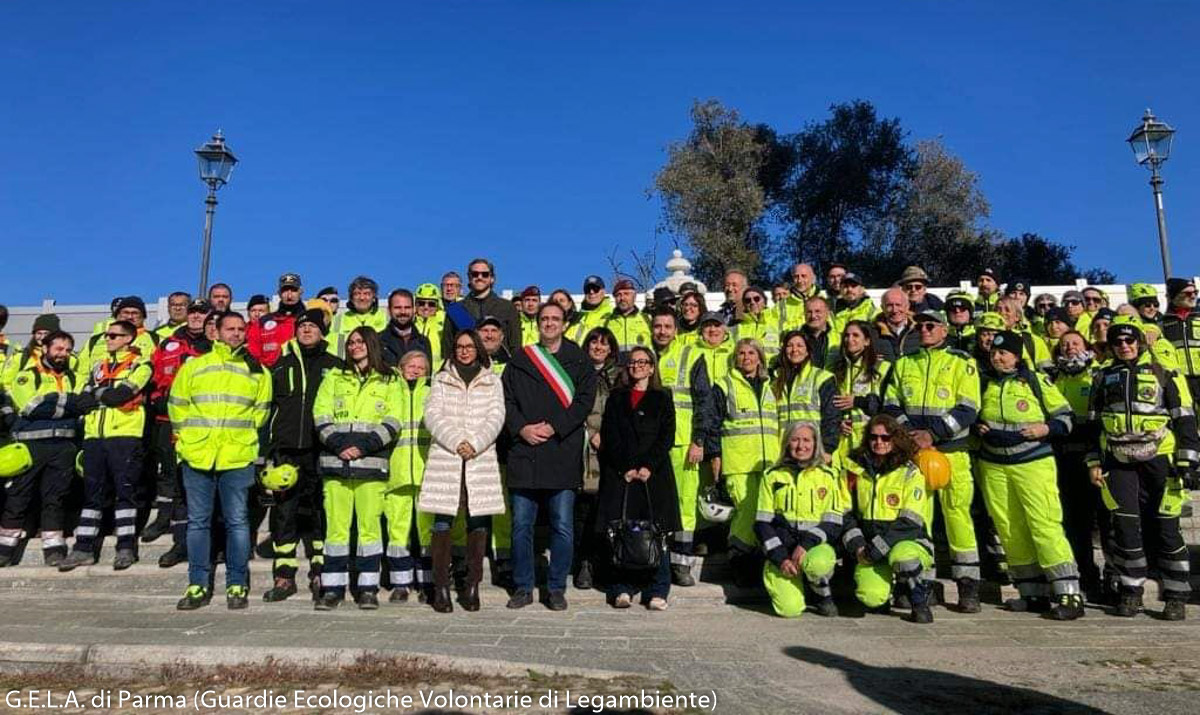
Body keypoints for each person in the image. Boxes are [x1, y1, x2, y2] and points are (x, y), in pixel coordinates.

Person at [1087, 317, 1200, 620]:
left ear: (1139, 341)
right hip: (1119, 460)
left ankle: (1176, 594)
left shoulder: (1165, 372)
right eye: (1117, 342)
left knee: (1165, 528)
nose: (1124, 346)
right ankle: (1131, 591)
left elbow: (1186, 418)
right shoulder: (1102, 376)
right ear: (1110, 347)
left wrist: (1188, 460)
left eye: (1129, 340)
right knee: (1124, 527)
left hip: (1160, 459)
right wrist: (1094, 461)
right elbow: (1094, 424)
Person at [973, 331, 1083, 619]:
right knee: (1009, 527)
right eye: (994, 353)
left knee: (1044, 524)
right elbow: (973, 415)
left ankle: (1068, 592)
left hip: (1033, 462)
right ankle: (1031, 591)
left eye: (1004, 353)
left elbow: (1066, 417)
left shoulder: (1035, 380)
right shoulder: (984, 381)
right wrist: (978, 427)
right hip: (994, 463)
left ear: (1017, 356)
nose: (997, 357)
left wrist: (1045, 429)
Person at [170, 311, 272, 610]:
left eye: (241, 329)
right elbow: (178, 406)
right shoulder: (196, 366)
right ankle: (197, 585)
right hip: (198, 455)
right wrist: (187, 441)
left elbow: (260, 413)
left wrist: (242, 441)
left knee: (238, 523)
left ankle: (237, 584)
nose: (236, 333)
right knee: (198, 523)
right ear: (216, 331)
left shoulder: (258, 371)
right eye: (231, 328)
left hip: (237, 456)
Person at [882, 308, 982, 612]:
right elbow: (890, 403)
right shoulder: (903, 364)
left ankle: (968, 587)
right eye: (919, 326)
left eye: (930, 325)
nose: (923, 330)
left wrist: (934, 434)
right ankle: (919, 584)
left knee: (957, 519)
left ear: (943, 330)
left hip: (952, 453)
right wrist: (911, 433)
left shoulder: (962, 363)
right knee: (917, 520)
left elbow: (968, 408)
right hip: (913, 456)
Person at [501, 301, 597, 611]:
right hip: (525, 452)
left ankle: (556, 587)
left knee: (562, 526)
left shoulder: (579, 360)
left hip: (561, 451)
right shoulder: (520, 359)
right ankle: (523, 586)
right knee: (521, 526)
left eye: (556, 319)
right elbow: (506, 401)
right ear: (537, 323)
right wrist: (522, 429)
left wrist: (555, 427)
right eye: (544, 318)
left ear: (565, 324)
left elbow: (584, 402)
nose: (550, 323)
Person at [311, 327, 401, 611]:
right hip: (336, 465)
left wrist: (364, 447)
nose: (354, 347)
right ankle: (332, 589)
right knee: (336, 532)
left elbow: (393, 419)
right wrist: (339, 445)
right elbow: (320, 414)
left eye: (360, 342)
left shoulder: (390, 379)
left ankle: (367, 588)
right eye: (350, 343)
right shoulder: (334, 377)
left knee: (369, 530)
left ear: (372, 344)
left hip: (371, 466)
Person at [420, 329, 506, 613]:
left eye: (470, 346)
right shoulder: (441, 379)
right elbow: (432, 415)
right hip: (447, 457)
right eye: (460, 346)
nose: (465, 351)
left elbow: (497, 416)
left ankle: (472, 585)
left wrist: (476, 443)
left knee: (478, 521)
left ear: (478, 349)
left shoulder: (492, 380)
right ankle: (441, 587)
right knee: (442, 521)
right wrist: (457, 443)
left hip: (480, 458)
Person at [261, 308, 343, 602]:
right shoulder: (280, 366)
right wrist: (268, 449)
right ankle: (284, 577)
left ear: (323, 332)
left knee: (322, 512)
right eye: (302, 326)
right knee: (284, 515)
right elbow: (268, 409)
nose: (307, 330)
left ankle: (321, 571)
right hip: (286, 452)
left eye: (312, 327)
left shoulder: (335, 366)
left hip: (321, 449)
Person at [58, 320, 153, 572]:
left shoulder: (140, 364)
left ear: (128, 339)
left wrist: (100, 395)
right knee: (92, 494)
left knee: (125, 492)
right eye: (107, 335)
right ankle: (83, 548)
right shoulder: (98, 365)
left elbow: (120, 395)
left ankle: (125, 547)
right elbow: (83, 400)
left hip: (125, 434)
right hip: (94, 435)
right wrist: (102, 395)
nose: (108, 339)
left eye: (114, 335)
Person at [597, 346, 679, 611]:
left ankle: (658, 588)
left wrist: (647, 466)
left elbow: (667, 435)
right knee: (622, 531)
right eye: (632, 362)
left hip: (653, 475)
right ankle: (622, 587)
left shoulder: (662, 397)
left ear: (652, 368)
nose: (637, 366)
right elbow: (610, 434)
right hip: (623, 475)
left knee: (658, 533)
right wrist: (626, 467)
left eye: (643, 362)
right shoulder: (616, 397)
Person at [0, 331, 87, 567]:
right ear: (45, 348)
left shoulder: (73, 376)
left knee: (55, 498)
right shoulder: (28, 375)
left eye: (68, 350)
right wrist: (66, 404)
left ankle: (54, 549)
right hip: (30, 446)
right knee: (19, 496)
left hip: (64, 446)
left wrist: (52, 401)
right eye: (58, 349)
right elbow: (30, 406)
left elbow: (81, 404)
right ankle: (5, 550)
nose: (63, 354)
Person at [841, 415, 935, 623]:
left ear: (896, 439)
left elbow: (910, 522)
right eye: (873, 437)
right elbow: (845, 514)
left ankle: (919, 599)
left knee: (904, 560)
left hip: (906, 541)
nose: (879, 442)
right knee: (871, 597)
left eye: (885, 438)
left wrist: (878, 548)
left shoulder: (910, 473)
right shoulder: (855, 471)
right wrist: (857, 546)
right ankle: (884, 592)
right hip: (868, 545)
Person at [144, 300, 213, 563]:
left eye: (202, 313)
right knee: (168, 473)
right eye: (193, 312)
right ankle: (165, 521)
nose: (196, 316)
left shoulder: (212, 347)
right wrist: (159, 397)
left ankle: (190, 541)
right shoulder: (169, 342)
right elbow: (156, 373)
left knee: (192, 479)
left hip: (200, 423)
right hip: (166, 418)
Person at [755, 422, 846, 618]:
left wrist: (806, 544)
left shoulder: (828, 476)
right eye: (795, 440)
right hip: (783, 551)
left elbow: (834, 521)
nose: (800, 446)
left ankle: (822, 593)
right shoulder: (771, 476)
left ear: (815, 444)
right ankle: (794, 583)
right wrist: (780, 559)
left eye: (806, 440)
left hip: (814, 548)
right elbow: (762, 524)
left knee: (817, 564)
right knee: (790, 610)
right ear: (787, 443)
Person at [650, 308, 714, 587]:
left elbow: (704, 401)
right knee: (653, 505)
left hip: (683, 443)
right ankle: (652, 559)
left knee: (685, 505)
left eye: (667, 326)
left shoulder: (691, 355)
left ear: (676, 330)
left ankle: (681, 564)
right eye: (657, 326)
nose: (662, 331)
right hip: (651, 445)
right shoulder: (644, 357)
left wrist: (699, 440)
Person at [710, 338, 779, 584]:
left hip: (769, 462)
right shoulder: (724, 384)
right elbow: (713, 423)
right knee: (746, 513)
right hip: (739, 463)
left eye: (751, 353)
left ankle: (761, 564)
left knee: (765, 514)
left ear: (760, 357)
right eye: (741, 353)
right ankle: (739, 562)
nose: (746, 358)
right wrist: (715, 456)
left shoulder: (773, 385)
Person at [1051, 331, 1106, 601]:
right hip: (1063, 458)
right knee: (1074, 523)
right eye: (1064, 345)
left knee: (1105, 522)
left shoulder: (1098, 373)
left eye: (1075, 343)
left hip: (1094, 456)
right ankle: (1085, 574)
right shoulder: (1053, 377)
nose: (1070, 348)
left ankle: (1114, 579)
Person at [383, 350, 433, 603]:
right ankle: (400, 583)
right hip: (397, 473)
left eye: (421, 367)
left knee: (427, 532)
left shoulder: (433, 391)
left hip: (426, 472)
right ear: (400, 368)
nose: (415, 370)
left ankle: (426, 582)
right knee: (398, 531)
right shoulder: (391, 390)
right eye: (410, 366)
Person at [577, 327, 621, 590]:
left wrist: (610, 437)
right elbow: (570, 407)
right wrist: (591, 432)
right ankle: (584, 562)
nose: (598, 347)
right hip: (584, 451)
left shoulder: (620, 375)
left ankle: (607, 562)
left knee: (609, 510)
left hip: (612, 451)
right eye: (594, 342)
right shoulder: (577, 373)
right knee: (584, 510)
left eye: (604, 344)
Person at [774, 330, 839, 454]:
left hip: (814, 451)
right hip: (784, 452)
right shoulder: (775, 383)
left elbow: (832, 418)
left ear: (807, 351)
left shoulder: (822, 378)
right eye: (789, 346)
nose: (794, 350)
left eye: (799, 345)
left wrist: (827, 449)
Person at [831, 320, 886, 460]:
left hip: (871, 442)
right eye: (847, 335)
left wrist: (858, 401)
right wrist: (837, 423)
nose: (850, 340)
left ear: (867, 341)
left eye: (856, 335)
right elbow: (830, 404)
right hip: (842, 443)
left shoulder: (882, 367)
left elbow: (886, 405)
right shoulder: (834, 369)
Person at [79, 296, 158, 375]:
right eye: (125, 312)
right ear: (117, 315)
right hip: (98, 385)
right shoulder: (95, 340)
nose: (130, 317)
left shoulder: (155, 339)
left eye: (135, 313)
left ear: (143, 317)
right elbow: (81, 371)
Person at [246, 272, 306, 368]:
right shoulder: (263, 322)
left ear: (301, 291)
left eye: (293, 290)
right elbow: (253, 354)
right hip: (271, 377)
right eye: (285, 290)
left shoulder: (308, 321)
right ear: (279, 293)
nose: (289, 295)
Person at [330, 276, 388, 358]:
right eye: (357, 294)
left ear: (374, 297)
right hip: (345, 367)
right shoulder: (336, 320)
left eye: (367, 294)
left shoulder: (386, 318)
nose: (362, 298)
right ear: (351, 298)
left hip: (377, 368)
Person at [1162, 278, 1200, 401]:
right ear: (1174, 296)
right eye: (1188, 293)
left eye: (1196, 292)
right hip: (1180, 381)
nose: (1193, 296)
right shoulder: (1162, 323)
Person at [380, 289, 432, 367]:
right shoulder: (379, 341)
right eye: (397, 308)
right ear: (389, 310)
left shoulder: (423, 342)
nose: (403, 312)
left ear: (414, 310)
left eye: (407, 307)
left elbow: (427, 375)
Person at [871, 288, 920, 362]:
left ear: (907, 306)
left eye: (898, 305)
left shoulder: (920, 329)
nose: (895, 310)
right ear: (882, 308)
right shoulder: (872, 332)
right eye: (889, 305)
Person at [604, 279, 652, 354]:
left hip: (640, 365)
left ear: (634, 296)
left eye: (626, 294)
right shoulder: (606, 322)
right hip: (615, 365)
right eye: (618, 295)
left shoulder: (647, 319)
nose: (622, 298)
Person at [732, 286, 780, 361]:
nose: (752, 302)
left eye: (756, 299)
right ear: (744, 304)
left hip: (772, 370)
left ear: (764, 301)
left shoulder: (778, 322)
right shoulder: (737, 328)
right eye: (748, 300)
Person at [570, 275, 614, 344]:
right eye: (587, 289)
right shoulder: (576, 318)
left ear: (603, 292)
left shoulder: (612, 316)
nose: (591, 292)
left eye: (595, 289)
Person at [799, 296, 838, 368]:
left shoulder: (839, 339)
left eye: (818, 311)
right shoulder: (796, 339)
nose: (813, 316)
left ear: (827, 313)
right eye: (809, 312)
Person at [413, 283, 446, 369]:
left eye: (431, 304)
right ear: (415, 305)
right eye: (421, 303)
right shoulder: (409, 324)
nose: (426, 307)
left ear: (438, 305)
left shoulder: (445, 322)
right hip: (415, 373)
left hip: (439, 375)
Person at [777, 263, 817, 333]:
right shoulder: (782, 305)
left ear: (812, 278)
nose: (799, 280)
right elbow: (774, 329)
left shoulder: (823, 300)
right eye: (796, 277)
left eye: (804, 276)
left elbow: (832, 331)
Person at [832, 273, 875, 337]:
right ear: (840, 290)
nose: (849, 290)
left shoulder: (871, 310)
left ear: (862, 289)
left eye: (853, 286)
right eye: (845, 286)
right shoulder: (831, 311)